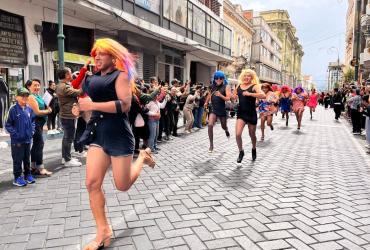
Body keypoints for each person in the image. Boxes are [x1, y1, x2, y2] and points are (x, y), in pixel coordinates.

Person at [74, 38, 155, 250]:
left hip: (118, 134)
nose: (97, 57)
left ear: (113, 56)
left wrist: (91, 104)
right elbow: (86, 103)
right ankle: (103, 231)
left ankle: (143, 157)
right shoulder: (90, 80)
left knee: (122, 185)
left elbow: (124, 105)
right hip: (98, 134)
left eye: (102, 53)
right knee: (92, 183)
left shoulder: (121, 76)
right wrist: (81, 109)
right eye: (95, 54)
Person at [5, 87, 36, 186]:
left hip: (27, 139)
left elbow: (33, 122)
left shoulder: (29, 109)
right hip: (17, 141)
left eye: (26, 96)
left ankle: (28, 175)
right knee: (17, 159)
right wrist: (15, 134)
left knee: (27, 158)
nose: (24, 98)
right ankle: (17, 177)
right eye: (22, 96)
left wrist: (32, 131)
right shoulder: (13, 109)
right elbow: (7, 124)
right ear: (17, 97)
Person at [233, 69, 265, 163]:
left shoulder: (254, 86)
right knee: (238, 134)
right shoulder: (239, 86)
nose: (247, 77)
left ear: (252, 77)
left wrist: (250, 94)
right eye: (245, 76)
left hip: (251, 113)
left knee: (252, 135)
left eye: (249, 76)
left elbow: (263, 96)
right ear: (242, 76)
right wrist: (233, 98)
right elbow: (233, 96)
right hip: (241, 113)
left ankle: (254, 148)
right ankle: (241, 151)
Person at [56, 67, 83, 167]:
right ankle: (67, 160)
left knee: (67, 137)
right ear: (67, 75)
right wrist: (85, 85)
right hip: (68, 115)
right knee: (69, 137)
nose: (72, 75)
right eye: (70, 73)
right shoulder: (64, 87)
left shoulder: (62, 85)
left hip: (66, 115)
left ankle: (65, 157)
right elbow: (78, 92)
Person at [25, 79, 53, 176]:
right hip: (35, 123)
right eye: (34, 85)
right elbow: (37, 112)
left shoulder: (38, 96)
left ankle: (33, 167)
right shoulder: (31, 97)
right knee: (40, 144)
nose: (37, 87)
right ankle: (40, 168)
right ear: (29, 87)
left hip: (39, 124)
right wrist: (48, 111)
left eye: (38, 85)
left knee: (36, 144)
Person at [204, 71, 231, 153]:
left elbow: (228, 98)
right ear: (214, 79)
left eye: (220, 78)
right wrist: (206, 102)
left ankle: (226, 130)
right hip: (213, 109)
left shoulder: (226, 86)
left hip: (221, 109)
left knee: (223, 126)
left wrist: (220, 95)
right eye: (217, 78)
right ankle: (211, 145)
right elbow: (209, 95)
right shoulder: (212, 86)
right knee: (210, 125)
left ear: (223, 79)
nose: (218, 80)